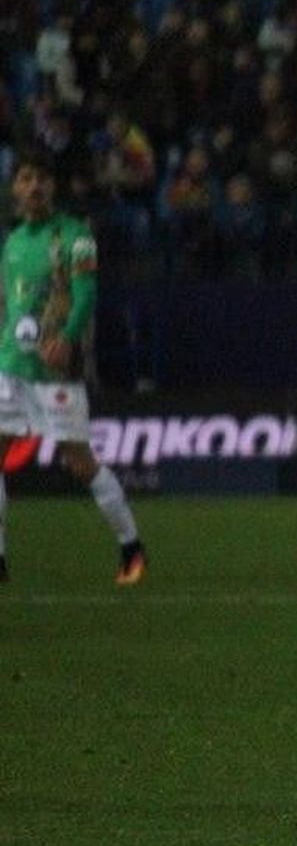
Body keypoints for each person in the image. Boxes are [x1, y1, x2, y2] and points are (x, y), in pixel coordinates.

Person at [0, 151, 146, 585]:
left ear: (52, 187)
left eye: (42, 178)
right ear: (15, 188)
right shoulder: (11, 243)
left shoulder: (75, 236)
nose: (34, 186)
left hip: (54, 371)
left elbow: (85, 295)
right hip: (11, 367)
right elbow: (9, 303)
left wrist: (66, 338)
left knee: (80, 462)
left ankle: (132, 546)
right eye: (26, 178)